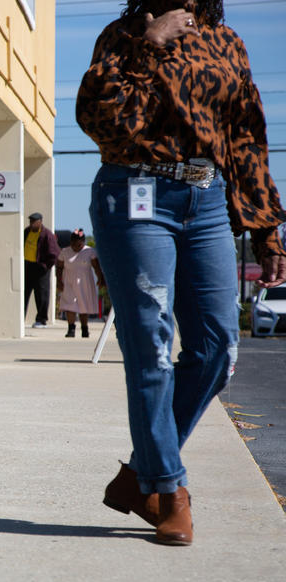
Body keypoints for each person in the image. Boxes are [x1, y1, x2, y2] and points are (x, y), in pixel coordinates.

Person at [78, 0, 286, 546]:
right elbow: (101, 122)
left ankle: (136, 477)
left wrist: (265, 229)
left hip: (208, 198)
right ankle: (169, 490)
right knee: (149, 342)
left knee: (218, 346)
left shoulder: (227, 41)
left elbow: (246, 138)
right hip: (135, 191)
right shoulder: (123, 35)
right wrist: (150, 44)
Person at [55, 229, 105, 338]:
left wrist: (100, 279)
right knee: (70, 305)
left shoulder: (90, 251)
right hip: (68, 281)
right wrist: (59, 281)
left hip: (85, 282)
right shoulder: (65, 252)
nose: (75, 247)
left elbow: (96, 267)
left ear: (83, 242)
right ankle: (71, 329)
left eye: (78, 244)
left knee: (83, 305)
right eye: (73, 243)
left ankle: (84, 328)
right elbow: (59, 267)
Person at [23, 212, 60, 328]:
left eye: (34, 221)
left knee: (42, 293)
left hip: (41, 267)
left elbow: (55, 253)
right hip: (27, 265)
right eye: (30, 221)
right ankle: (21, 317)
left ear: (40, 222)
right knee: (24, 293)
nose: (32, 224)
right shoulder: (26, 231)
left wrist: (46, 266)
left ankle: (41, 319)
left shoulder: (47, 234)